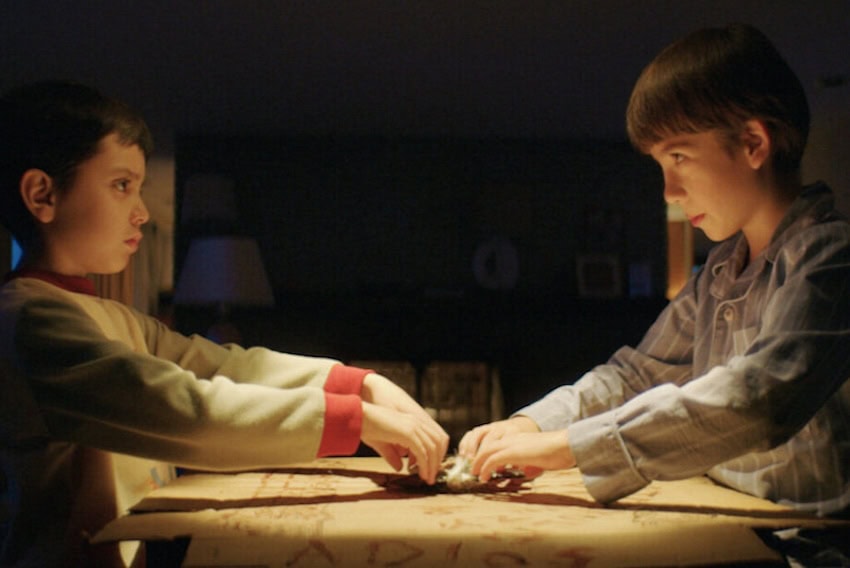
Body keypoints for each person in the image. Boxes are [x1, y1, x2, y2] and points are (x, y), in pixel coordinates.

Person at [0, 81, 449, 567]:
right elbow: (184, 411)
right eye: (121, 185)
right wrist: (353, 419)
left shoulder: (107, 315)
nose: (142, 211)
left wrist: (361, 384)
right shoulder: (29, 320)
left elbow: (223, 367)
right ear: (41, 194)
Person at [460, 23, 850, 520]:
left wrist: (570, 448)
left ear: (753, 143)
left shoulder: (829, 257)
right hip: (726, 520)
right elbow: (636, 375)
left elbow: (759, 399)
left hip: (802, 545)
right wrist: (534, 425)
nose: (668, 191)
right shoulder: (719, 273)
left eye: (680, 157)